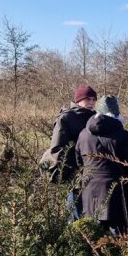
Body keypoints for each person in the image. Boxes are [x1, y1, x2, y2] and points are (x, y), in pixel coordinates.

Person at [75, 96, 128, 237]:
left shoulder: (83, 135)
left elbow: (79, 162)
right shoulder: (123, 135)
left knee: (94, 238)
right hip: (116, 192)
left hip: (90, 192)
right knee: (119, 237)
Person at [42, 84, 98, 222]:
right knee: (75, 212)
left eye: (93, 99)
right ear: (78, 100)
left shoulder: (95, 118)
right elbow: (58, 148)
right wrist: (71, 172)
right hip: (75, 174)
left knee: (90, 213)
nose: (91, 103)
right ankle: (72, 239)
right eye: (88, 99)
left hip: (92, 172)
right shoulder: (66, 118)